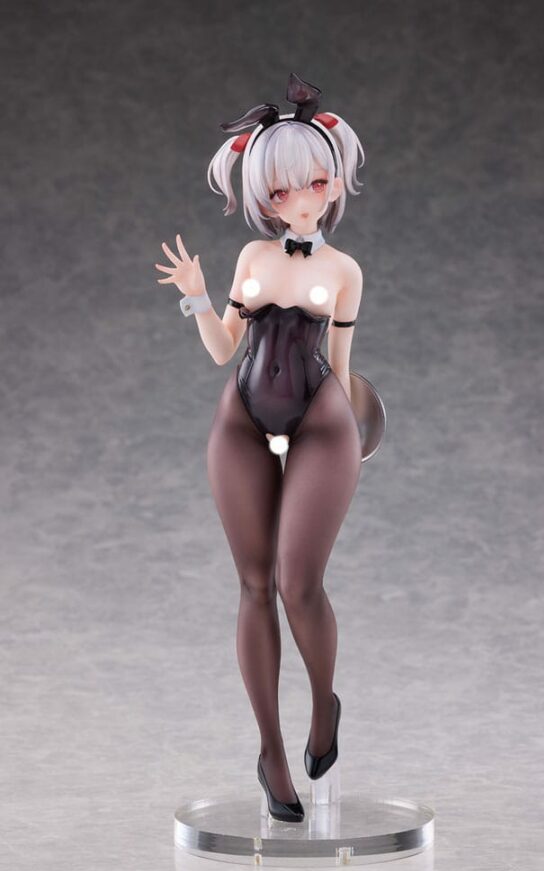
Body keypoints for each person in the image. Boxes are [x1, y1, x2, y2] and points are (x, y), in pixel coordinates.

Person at [155, 73, 365, 823]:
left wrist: (356, 434)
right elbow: (223, 351)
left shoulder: (344, 271)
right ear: (263, 197)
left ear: (333, 178)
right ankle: (271, 752)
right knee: (253, 583)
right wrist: (196, 293)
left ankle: (323, 706)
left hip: (320, 419)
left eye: (314, 182)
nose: (302, 200)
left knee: (298, 583)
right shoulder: (252, 257)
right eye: (281, 190)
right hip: (241, 417)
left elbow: (339, 367)